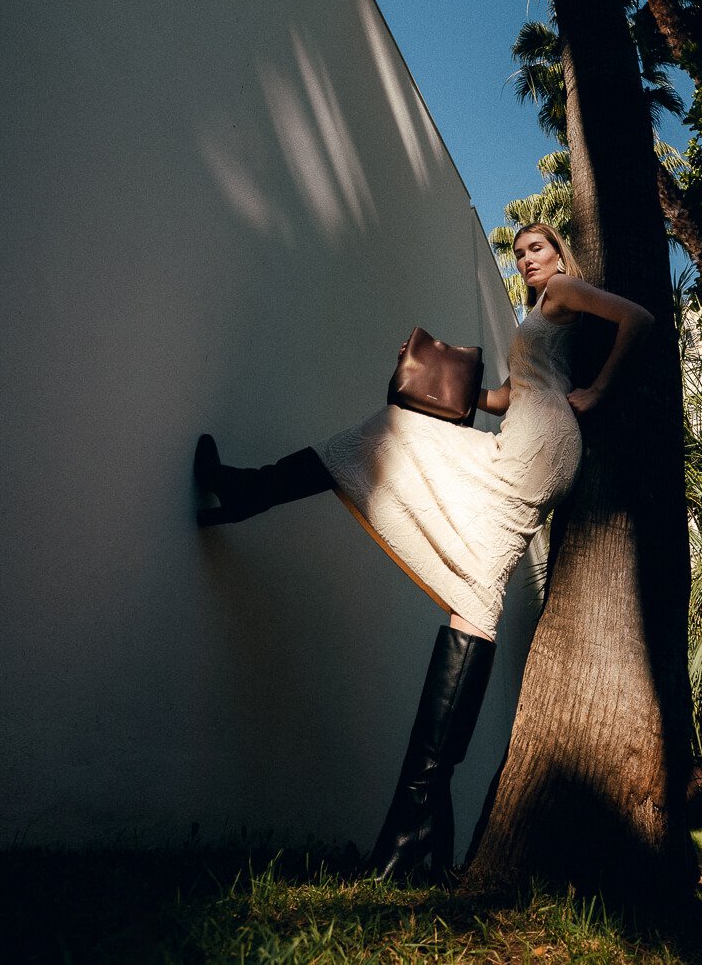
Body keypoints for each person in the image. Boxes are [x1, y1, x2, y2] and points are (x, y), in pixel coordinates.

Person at [194, 221, 653, 881]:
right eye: (519, 253)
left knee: (381, 439)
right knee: (474, 594)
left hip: (540, 446)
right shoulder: (537, 322)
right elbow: (500, 399)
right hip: (517, 440)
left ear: (559, 254)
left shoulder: (563, 292)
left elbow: (635, 319)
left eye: (538, 249)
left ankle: (243, 492)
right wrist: (429, 377)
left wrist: (596, 393)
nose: (528, 260)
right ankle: (417, 837)